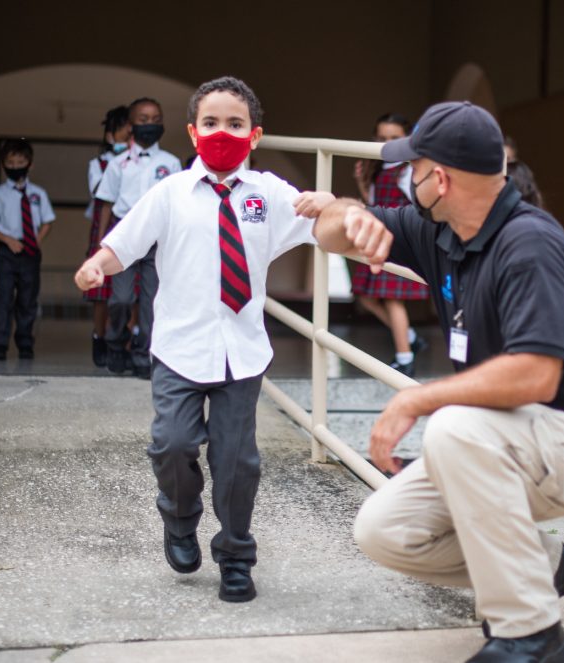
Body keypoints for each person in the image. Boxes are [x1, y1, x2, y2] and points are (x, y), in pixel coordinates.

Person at [313, 102, 564, 663]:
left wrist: (420, 396)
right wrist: (351, 218)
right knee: (384, 528)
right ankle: (543, 563)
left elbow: (536, 373)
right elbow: (327, 233)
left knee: (452, 427)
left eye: (411, 169)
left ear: (438, 179)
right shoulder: (437, 229)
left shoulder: (528, 243)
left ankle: (530, 636)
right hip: (516, 438)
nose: (405, 180)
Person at [74, 76, 335, 603]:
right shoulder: (169, 193)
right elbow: (125, 242)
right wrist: (97, 267)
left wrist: (331, 205)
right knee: (171, 445)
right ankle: (179, 517)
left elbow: (324, 227)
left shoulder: (269, 194)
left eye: (235, 124)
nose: (223, 132)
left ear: (255, 135)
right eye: (211, 123)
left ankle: (236, 557)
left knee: (237, 462)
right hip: (179, 347)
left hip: (242, 351)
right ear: (193, 133)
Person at [94, 97, 183, 379]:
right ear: (131, 125)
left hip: (158, 238)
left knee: (151, 301)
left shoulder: (170, 163)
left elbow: (179, 206)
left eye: (156, 119)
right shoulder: (117, 164)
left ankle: (144, 354)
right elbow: (106, 205)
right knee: (120, 298)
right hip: (123, 235)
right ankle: (116, 344)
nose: (150, 124)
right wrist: (98, 247)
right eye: (143, 120)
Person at [351, 113, 430, 376]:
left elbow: (417, 204)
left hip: (398, 238)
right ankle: (409, 337)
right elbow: (374, 202)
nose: (388, 143)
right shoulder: (377, 168)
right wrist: (363, 185)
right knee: (365, 295)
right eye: (382, 138)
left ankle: (405, 356)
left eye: (395, 138)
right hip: (377, 235)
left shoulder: (408, 170)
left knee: (394, 300)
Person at [0, 138, 55, 361]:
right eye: (10, 163)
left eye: (20, 162)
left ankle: (25, 343)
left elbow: (48, 221)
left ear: (29, 164)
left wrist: (37, 240)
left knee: (28, 299)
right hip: (6, 252)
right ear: (3, 165)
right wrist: (7, 240)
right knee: (4, 297)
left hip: (30, 252)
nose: (15, 167)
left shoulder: (38, 194)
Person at [84, 105, 131, 367]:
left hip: (129, 223)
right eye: (123, 132)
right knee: (100, 289)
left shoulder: (138, 160)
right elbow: (100, 193)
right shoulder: (98, 164)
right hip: (105, 225)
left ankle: (124, 341)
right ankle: (99, 337)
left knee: (127, 292)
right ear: (111, 134)